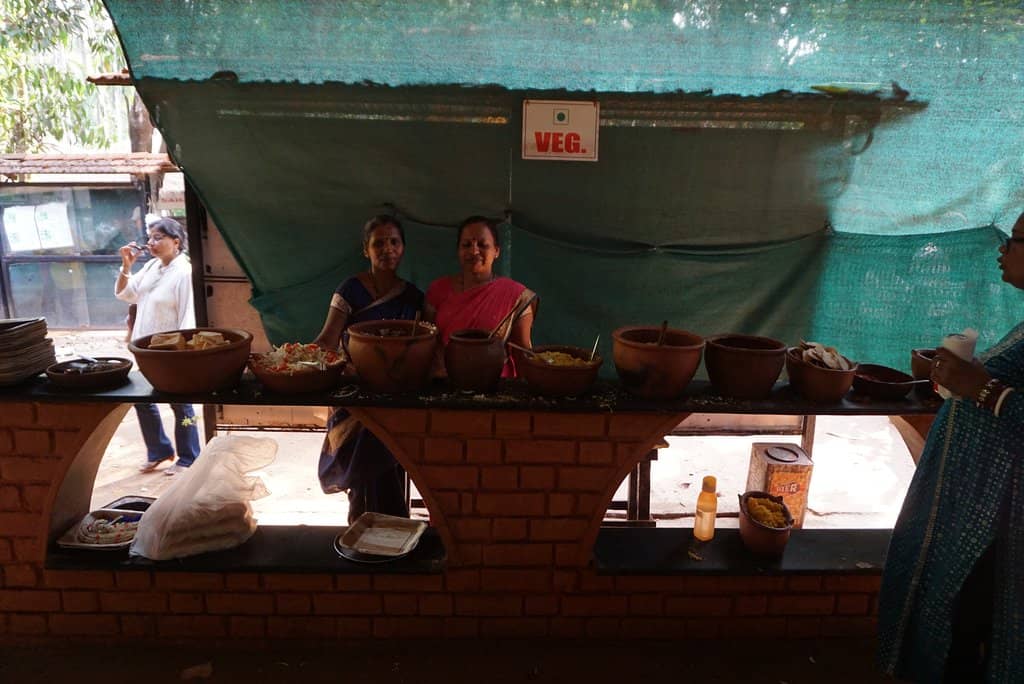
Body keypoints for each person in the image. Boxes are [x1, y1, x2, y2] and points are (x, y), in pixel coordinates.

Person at [878, 212, 1024, 682]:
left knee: (971, 625)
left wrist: (982, 389)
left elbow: (995, 395)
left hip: (1001, 521)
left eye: (1015, 241)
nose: (1003, 250)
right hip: (976, 509)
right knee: (956, 617)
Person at [314, 215, 423, 523]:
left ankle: (388, 532)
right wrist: (300, 361)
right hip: (355, 399)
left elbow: (419, 346)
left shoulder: (413, 297)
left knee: (391, 467)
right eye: (379, 243)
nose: (387, 249)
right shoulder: (350, 290)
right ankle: (366, 533)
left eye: (394, 242)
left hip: (394, 396)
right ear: (366, 250)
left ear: (402, 249)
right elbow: (327, 340)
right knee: (365, 470)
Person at [115, 217, 201, 476]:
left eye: (158, 238)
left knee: (182, 404)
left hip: (171, 353)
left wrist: (183, 355)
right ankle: (159, 450)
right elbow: (126, 294)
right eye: (150, 238)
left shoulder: (185, 272)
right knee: (142, 399)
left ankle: (189, 456)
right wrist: (126, 266)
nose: (151, 243)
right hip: (144, 348)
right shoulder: (152, 266)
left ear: (176, 242)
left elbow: (189, 316)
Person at [424, 216, 538, 376]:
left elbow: (523, 355)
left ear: (496, 251)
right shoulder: (438, 290)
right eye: (466, 245)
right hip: (445, 384)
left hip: (496, 388)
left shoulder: (516, 295)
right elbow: (428, 345)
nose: (474, 251)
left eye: (483, 245)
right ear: (458, 250)